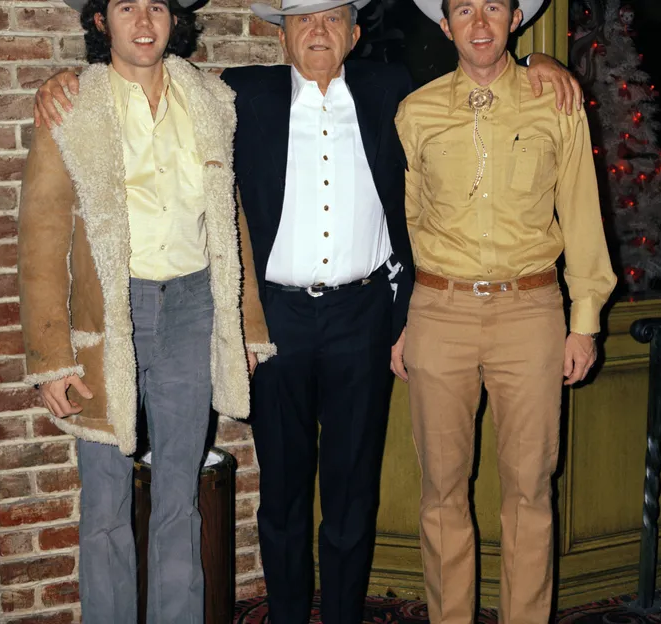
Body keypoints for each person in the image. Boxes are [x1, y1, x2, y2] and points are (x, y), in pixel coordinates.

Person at [31, 1, 582, 621]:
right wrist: (65, 81)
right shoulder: (240, 93)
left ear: (353, 32)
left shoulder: (391, 88)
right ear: (282, 35)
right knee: (283, 497)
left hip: (364, 317)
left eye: (332, 19)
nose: (317, 32)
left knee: (353, 493)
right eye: (302, 20)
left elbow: (480, 65)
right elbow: (137, 72)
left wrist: (542, 59)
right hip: (277, 324)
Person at [16, 0, 269, 622]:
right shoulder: (72, 108)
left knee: (179, 497)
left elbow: (230, 219)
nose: (144, 21)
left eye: (156, 5)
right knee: (103, 503)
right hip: (108, 320)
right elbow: (41, 232)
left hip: (192, 309)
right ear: (102, 21)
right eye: (126, 6)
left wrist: (248, 331)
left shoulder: (210, 101)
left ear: (174, 19)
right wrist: (52, 357)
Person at [393, 0, 618, 622]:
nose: (481, 23)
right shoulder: (415, 113)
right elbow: (405, 223)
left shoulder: (556, 103)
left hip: (531, 313)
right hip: (440, 311)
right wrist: (404, 319)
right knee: (441, 494)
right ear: (446, 27)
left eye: (493, 6)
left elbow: (580, 211)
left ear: (515, 17)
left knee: (529, 493)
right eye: (464, 9)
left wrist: (585, 321)